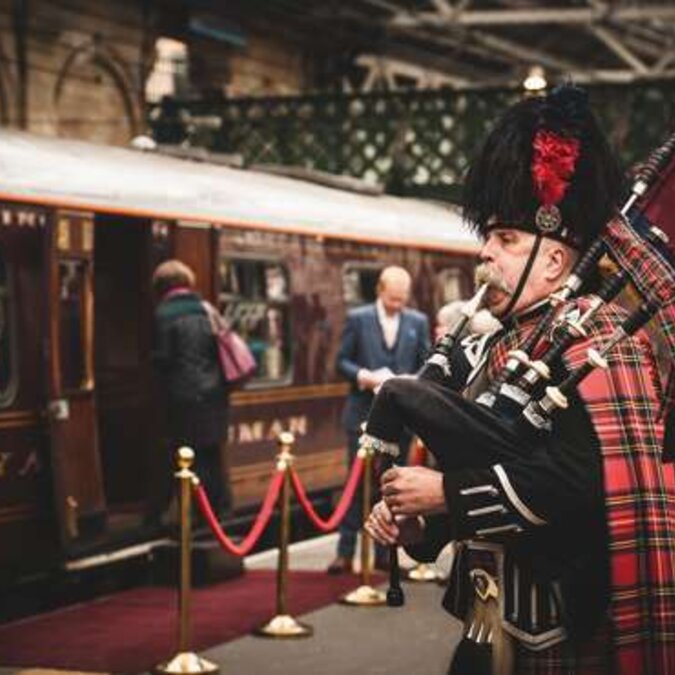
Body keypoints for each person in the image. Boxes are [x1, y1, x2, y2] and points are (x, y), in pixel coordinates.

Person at [365, 85, 675, 673]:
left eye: (506, 240)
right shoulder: (498, 342)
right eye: (488, 238)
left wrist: (443, 493)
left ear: (557, 261)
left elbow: (579, 480)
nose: (486, 255)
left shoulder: (604, 338)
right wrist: (419, 525)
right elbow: (479, 458)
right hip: (485, 622)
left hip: (563, 634)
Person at [327, 265, 431, 574]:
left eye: (402, 299)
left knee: (392, 486)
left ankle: (386, 555)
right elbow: (340, 362)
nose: (398, 305)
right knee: (355, 483)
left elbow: (427, 364)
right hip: (361, 412)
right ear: (380, 291)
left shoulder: (418, 321)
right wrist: (366, 377)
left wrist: (411, 380)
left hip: (401, 417)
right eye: (392, 299)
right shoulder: (358, 319)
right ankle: (345, 553)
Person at [147, 259, 232, 528]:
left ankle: (186, 515)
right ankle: (217, 511)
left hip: (182, 396)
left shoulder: (163, 315)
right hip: (214, 393)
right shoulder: (205, 309)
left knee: (185, 455)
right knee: (211, 455)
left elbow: (164, 358)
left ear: (160, 286)